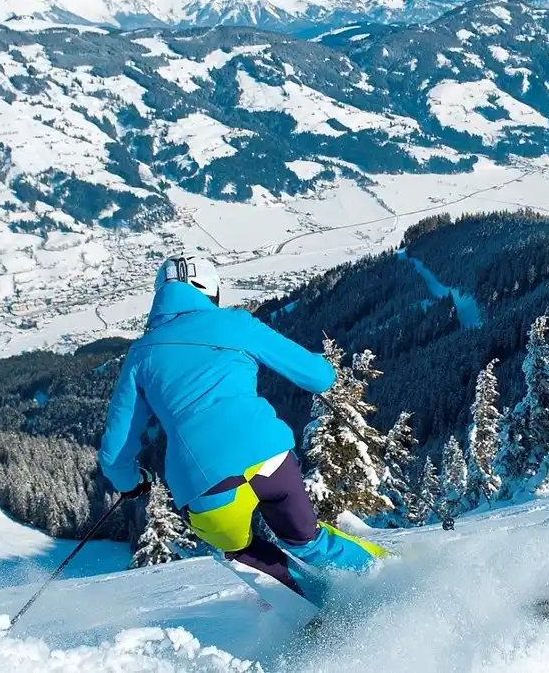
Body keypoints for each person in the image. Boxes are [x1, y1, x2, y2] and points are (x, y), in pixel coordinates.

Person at [98, 254, 390, 600]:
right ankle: (389, 577)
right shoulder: (239, 325)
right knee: (307, 540)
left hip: (203, 484)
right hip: (270, 459)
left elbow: (115, 453)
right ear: (211, 291)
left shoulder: (141, 355)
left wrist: (132, 483)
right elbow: (320, 376)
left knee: (242, 553)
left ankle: (318, 607)